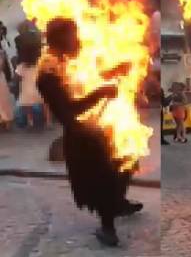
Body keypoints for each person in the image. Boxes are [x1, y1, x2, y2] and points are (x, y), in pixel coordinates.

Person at [36, 18, 142, 247]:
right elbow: (69, 111)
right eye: (72, 35)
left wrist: (115, 71)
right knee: (103, 178)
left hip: (94, 128)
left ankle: (119, 203)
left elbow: (88, 78)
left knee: (127, 160)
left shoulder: (64, 61)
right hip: (81, 138)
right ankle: (108, 227)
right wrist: (102, 93)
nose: (78, 39)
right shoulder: (47, 73)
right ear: (58, 38)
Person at [0, 38, 13, 130]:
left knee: (3, 100)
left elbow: (3, 66)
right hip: (1, 77)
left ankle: (6, 121)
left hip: (1, 78)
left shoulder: (2, 52)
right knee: (3, 100)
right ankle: (5, 120)